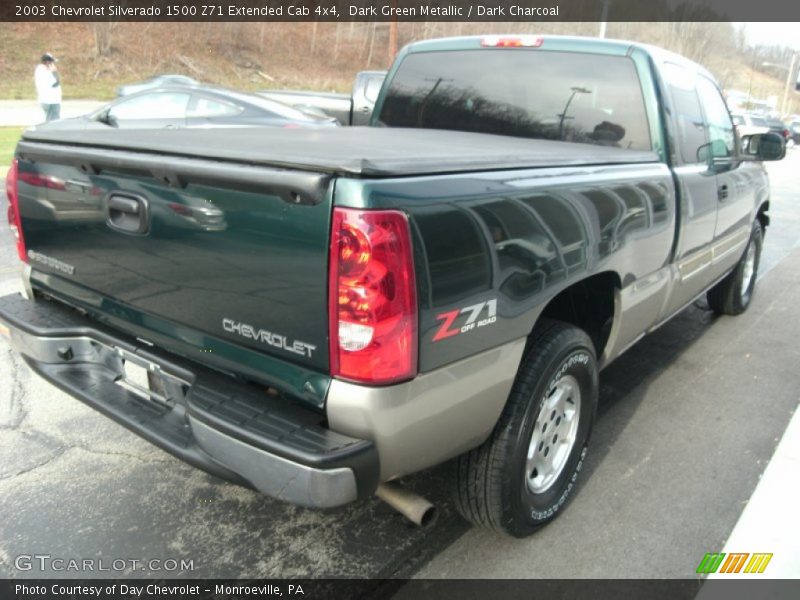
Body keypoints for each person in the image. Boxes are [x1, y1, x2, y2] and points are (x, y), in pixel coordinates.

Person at [34, 53, 62, 122]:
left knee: (49, 121)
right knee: (54, 122)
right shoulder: (46, 72)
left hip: (46, 100)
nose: (53, 65)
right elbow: (56, 82)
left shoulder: (39, 69)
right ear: (47, 62)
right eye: (52, 62)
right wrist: (54, 72)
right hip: (51, 100)